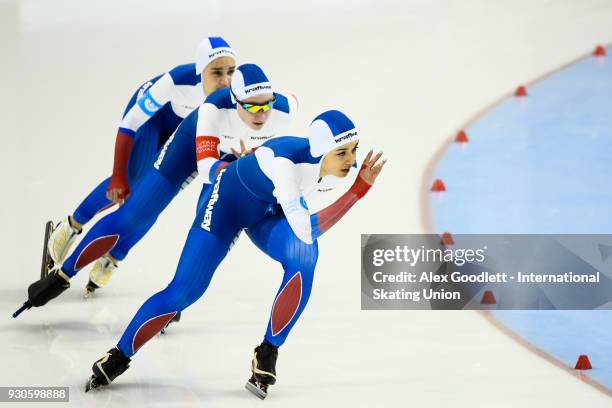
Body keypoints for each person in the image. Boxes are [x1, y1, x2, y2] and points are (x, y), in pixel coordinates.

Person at [84, 110, 385, 398]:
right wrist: (357, 192)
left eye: (354, 149)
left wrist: (255, 152)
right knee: (185, 291)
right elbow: (306, 228)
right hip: (226, 205)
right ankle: (119, 355)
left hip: (270, 209)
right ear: (321, 150)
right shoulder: (287, 165)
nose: (352, 160)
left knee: (303, 259)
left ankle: (267, 351)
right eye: (342, 152)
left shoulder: (334, 167)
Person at [20, 63, 298, 313]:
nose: (261, 114)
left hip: (232, 155)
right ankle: (63, 274)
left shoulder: (285, 110)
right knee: (134, 214)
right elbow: (207, 170)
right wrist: (242, 164)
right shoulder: (213, 109)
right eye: (252, 107)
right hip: (194, 145)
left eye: (266, 106)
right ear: (235, 100)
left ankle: (174, 293)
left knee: (209, 220)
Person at [45, 36, 236, 284]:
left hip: (184, 129)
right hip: (151, 119)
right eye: (217, 72)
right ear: (201, 71)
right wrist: (118, 174)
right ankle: (72, 224)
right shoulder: (178, 81)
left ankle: (115, 256)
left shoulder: (234, 95)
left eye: (231, 72)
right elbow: (130, 123)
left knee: (152, 199)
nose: (226, 81)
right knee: (132, 184)